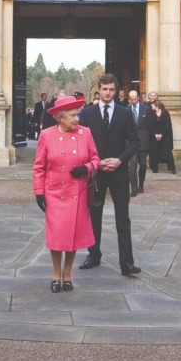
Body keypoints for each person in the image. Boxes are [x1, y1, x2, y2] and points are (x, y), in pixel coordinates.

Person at [32, 94, 99, 292]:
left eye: (77, 115)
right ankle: (55, 274)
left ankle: (67, 274)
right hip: (54, 193)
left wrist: (86, 168)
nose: (77, 119)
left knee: (73, 235)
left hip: (77, 191)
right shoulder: (47, 135)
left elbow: (96, 160)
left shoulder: (85, 133)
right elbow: (39, 167)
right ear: (61, 117)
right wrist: (39, 192)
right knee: (57, 236)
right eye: (72, 115)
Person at [77, 73, 141, 277]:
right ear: (99, 89)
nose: (108, 93)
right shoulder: (87, 114)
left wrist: (119, 160)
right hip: (96, 173)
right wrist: (95, 163)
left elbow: (135, 142)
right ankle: (94, 254)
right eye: (104, 89)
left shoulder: (125, 113)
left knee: (123, 217)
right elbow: (81, 143)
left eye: (111, 89)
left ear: (116, 90)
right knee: (94, 215)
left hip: (119, 172)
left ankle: (126, 262)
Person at [124, 90, 151, 196]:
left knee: (143, 165)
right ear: (129, 99)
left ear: (138, 98)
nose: (133, 101)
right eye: (131, 99)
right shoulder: (126, 110)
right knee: (132, 166)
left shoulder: (146, 110)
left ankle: (141, 184)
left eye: (135, 99)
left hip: (143, 142)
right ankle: (134, 189)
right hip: (131, 142)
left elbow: (150, 126)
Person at [142, 100, 173, 183]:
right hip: (154, 136)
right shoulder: (151, 113)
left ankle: (172, 167)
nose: (151, 106)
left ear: (157, 106)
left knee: (167, 151)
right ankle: (155, 168)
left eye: (153, 105)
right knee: (154, 151)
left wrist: (161, 134)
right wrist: (155, 134)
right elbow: (150, 125)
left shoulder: (165, 113)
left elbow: (167, 125)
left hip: (164, 135)